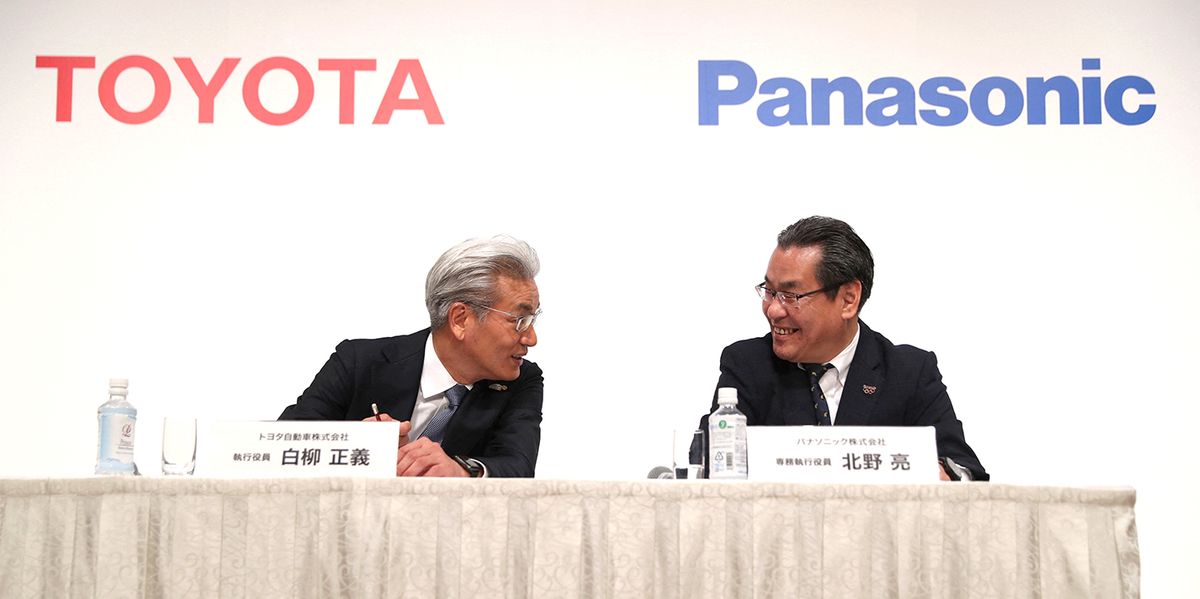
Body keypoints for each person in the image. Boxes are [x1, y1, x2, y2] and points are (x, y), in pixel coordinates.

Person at [700, 216, 987, 480]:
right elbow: (704, 464)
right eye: (770, 291)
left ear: (848, 299)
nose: (773, 310)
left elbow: (964, 469)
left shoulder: (909, 372)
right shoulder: (748, 366)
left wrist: (938, 473)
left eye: (790, 295)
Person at [278, 235, 543, 478]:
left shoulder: (521, 381)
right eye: (519, 321)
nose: (531, 339)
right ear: (460, 319)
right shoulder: (359, 363)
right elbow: (282, 443)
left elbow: (518, 466)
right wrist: (354, 446)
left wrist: (461, 471)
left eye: (532, 320)